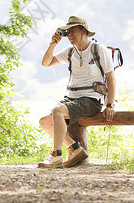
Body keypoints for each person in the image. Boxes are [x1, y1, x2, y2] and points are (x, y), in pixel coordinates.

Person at [38, 15, 116, 168]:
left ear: (84, 30)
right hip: (71, 99)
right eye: (67, 32)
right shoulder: (70, 52)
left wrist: (110, 105)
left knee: (57, 111)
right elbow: (46, 63)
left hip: (91, 99)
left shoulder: (98, 49)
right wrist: (53, 44)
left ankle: (56, 155)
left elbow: (111, 77)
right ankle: (75, 149)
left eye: (73, 31)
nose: (70, 35)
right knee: (44, 122)